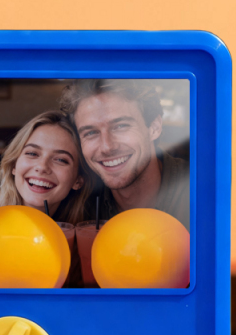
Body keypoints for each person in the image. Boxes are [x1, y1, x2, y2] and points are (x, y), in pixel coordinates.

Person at [59, 79, 189, 230]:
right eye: (91, 133)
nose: (107, 147)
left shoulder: (200, 191)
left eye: (120, 126)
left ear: (154, 128)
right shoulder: (80, 202)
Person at [0, 111, 96, 224]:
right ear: (14, 165)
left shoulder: (83, 226)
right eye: (32, 153)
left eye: (60, 160)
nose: (42, 167)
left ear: (78, 181)